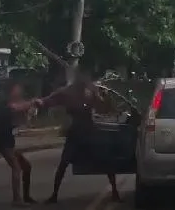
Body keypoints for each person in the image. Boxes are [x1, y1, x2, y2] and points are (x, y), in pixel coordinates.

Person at [37, 69, 121, 204]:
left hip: (87, 130)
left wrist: (101, 96)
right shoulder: (69, 92)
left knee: (106, 160)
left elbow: (103, 107)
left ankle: (115, 191)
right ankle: (54, 194)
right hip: (77, 132)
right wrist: (40, 102)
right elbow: (50, 99)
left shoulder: (90, 91)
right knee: (64, 163)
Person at [0, 81, 38, 207]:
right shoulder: (6, 103)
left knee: (26, 167)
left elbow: (19, 120)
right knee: (16, 167)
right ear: (11, 91)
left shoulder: (12, 103)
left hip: (8, 140)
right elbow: (16, 107)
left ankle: (26, 196)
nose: (20, 91)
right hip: (2, 141)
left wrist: (28, 112)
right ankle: (17, 200)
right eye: (17, 89)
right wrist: (32, 102)